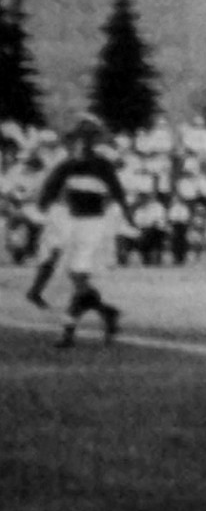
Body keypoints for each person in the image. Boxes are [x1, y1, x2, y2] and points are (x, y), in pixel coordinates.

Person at [35, 115, 135, 349]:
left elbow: (118, 192)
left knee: (79, 278)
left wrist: (128, 217)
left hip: (93, 227)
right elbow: (51, 186)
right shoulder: (68, 164)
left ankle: (69, 331)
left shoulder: (100, 165)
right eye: (79, 138)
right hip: (74, 225)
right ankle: (107, 313)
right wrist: (44, 203)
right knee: (77, 279)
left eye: (87, 138)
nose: (82, 143)